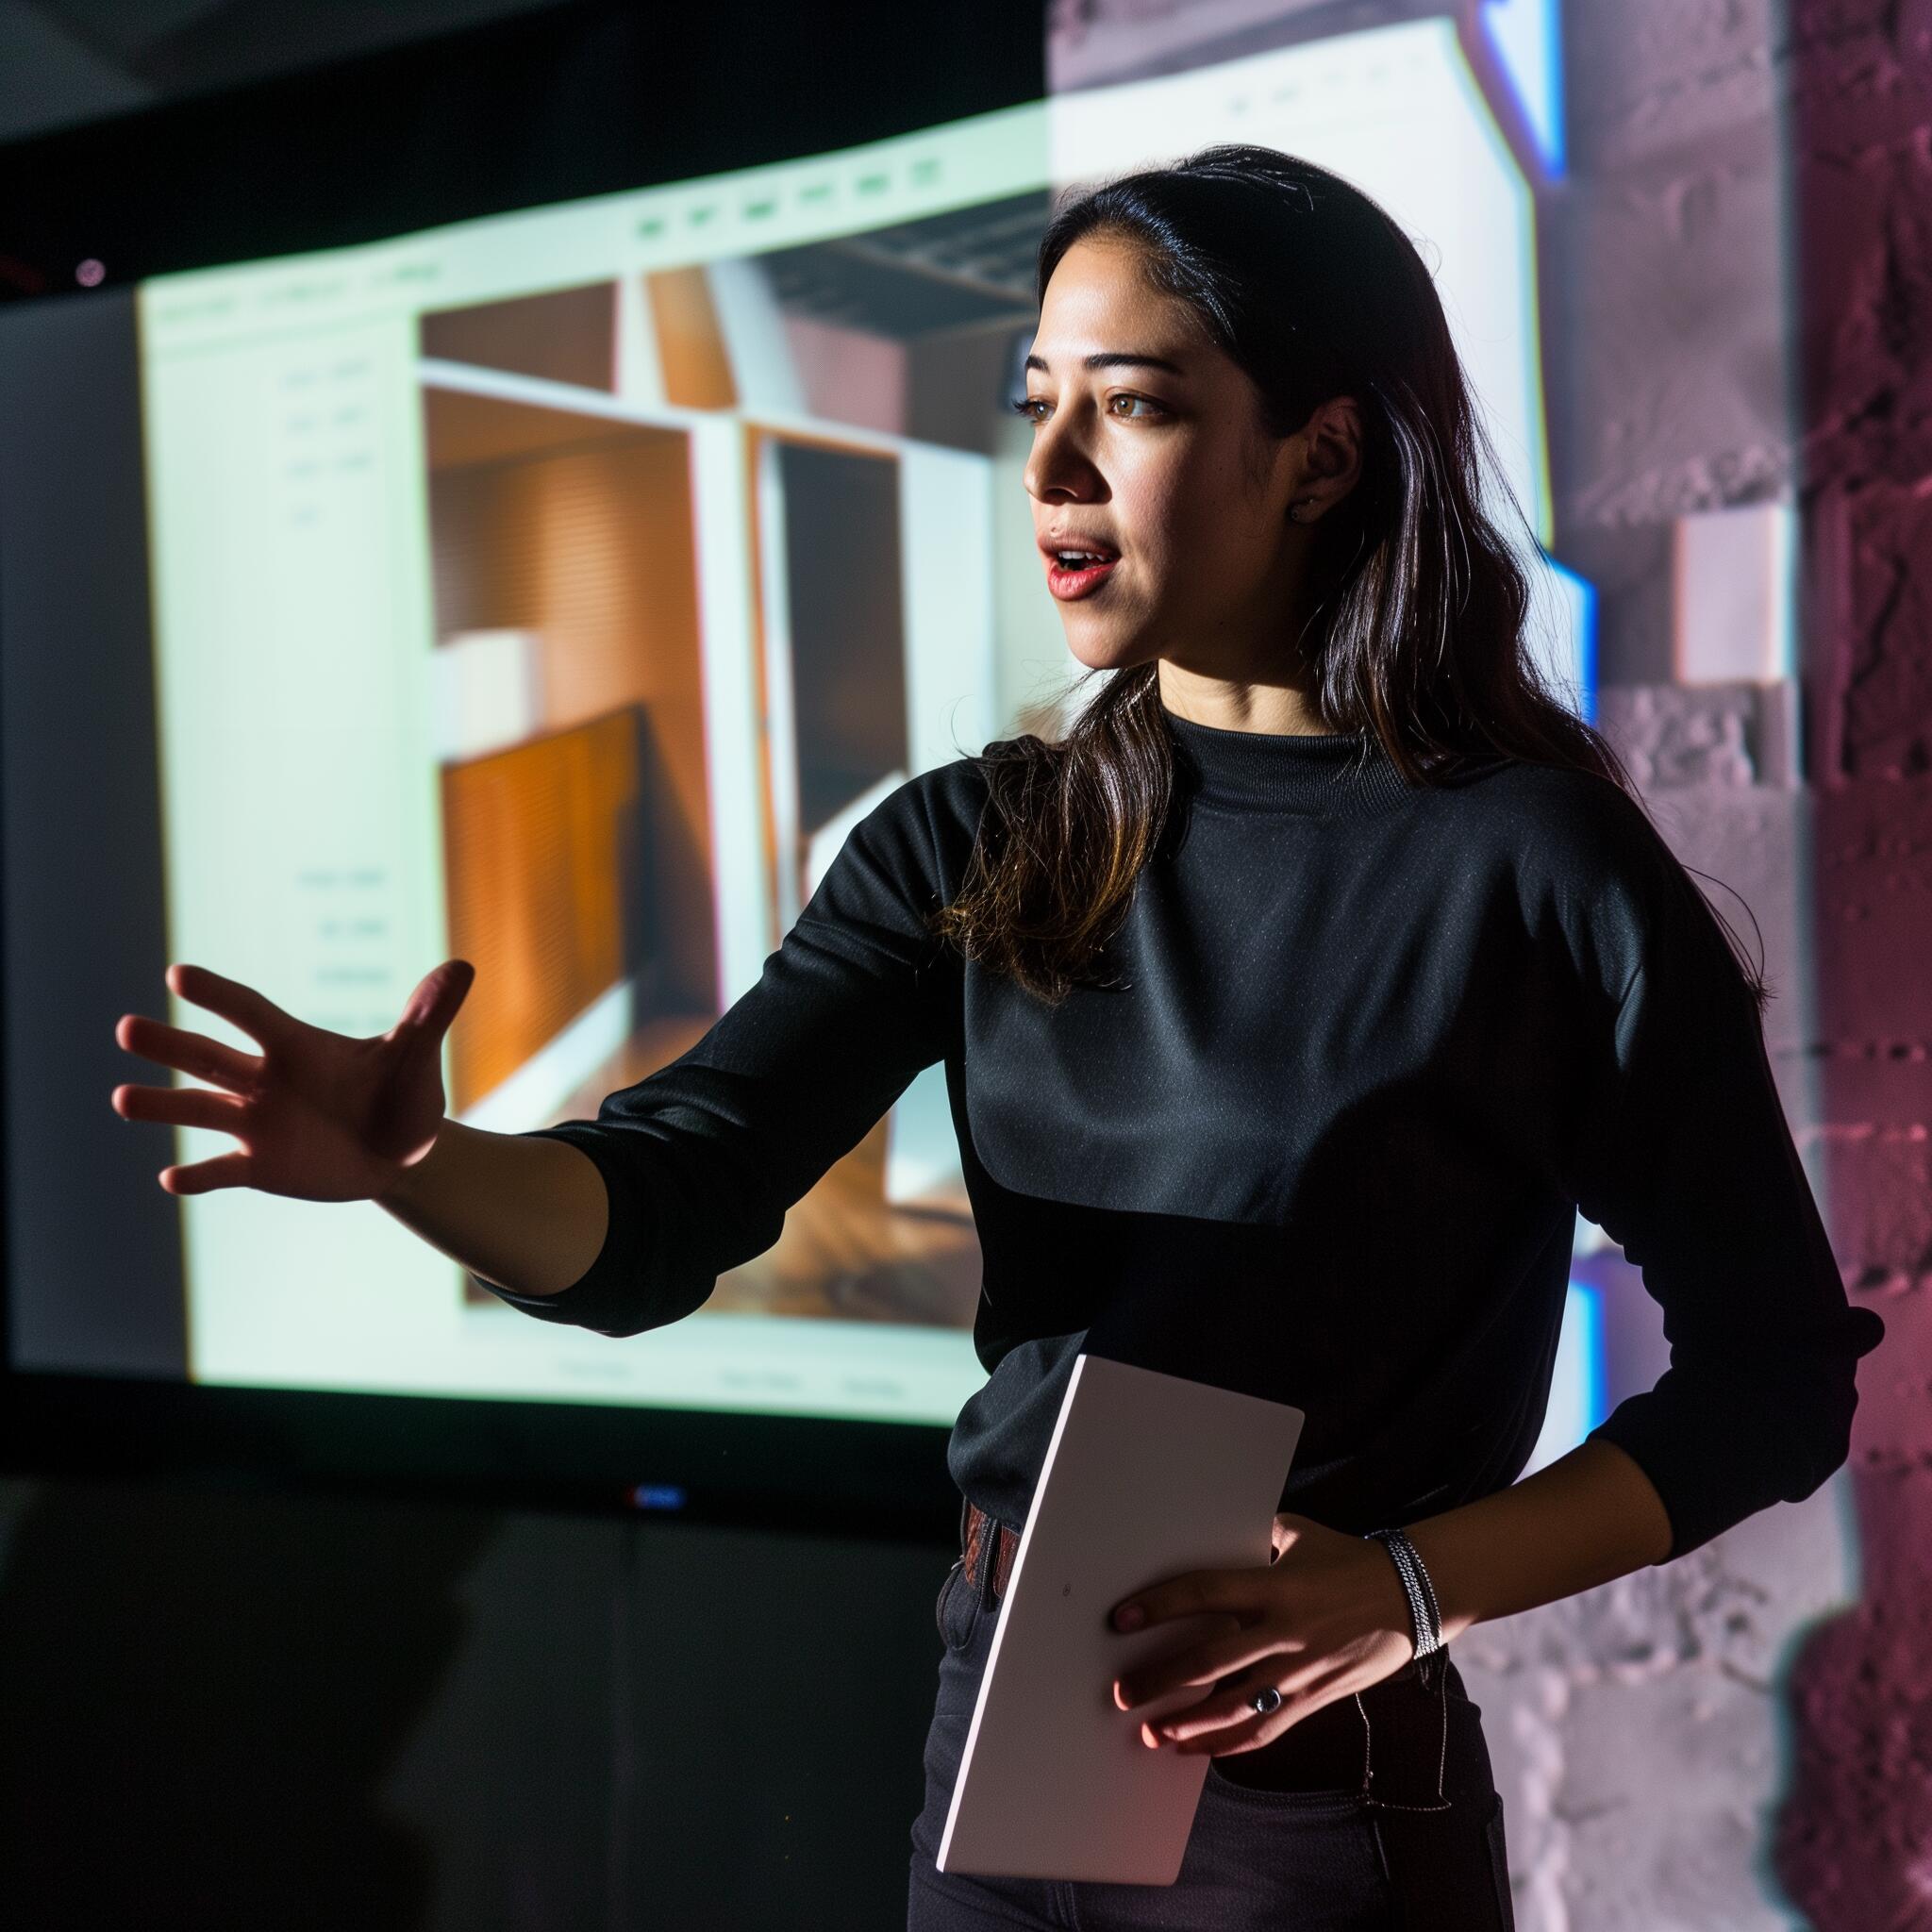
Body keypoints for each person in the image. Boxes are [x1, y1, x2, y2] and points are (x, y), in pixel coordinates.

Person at [111, 144, 1887, 1931]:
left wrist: (1406, 1593)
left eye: (1133, 406)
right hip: (1003, 1720)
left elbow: (1778, 1376)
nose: (1052, 468)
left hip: (1309, 1786)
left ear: (1323, 456)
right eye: (1039, 403)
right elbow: (665, 1208)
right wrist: (417, 1165)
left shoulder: (1531, 867)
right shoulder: (971, 843)